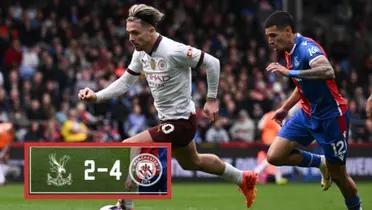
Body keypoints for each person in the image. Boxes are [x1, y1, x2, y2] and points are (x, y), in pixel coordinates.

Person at [79, 4, 256, 209]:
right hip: (173, 120)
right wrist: (96, 96)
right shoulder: (141, 53)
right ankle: (243, 178)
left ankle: (125, 205)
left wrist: (212, 99)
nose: (131, 38)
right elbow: (126, 82)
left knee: (131, 144)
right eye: (129, 33)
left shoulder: (173, 50)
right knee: (192, 162)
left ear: (151, 30)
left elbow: (213, 63)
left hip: (180, 122)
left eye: (135, 33)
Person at [264, 11, 361, 210]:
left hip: (332, 117)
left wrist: (289, 72)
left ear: (289, 31)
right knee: (274, 156)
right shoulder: (288, 52)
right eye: (267, 37)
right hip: (307, 113)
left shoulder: (307, 48)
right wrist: (284, 108)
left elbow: (327, 71)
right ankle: (321, 162)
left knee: (340, 177)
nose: (270, 41)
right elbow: (303, 85)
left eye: (273, 35)